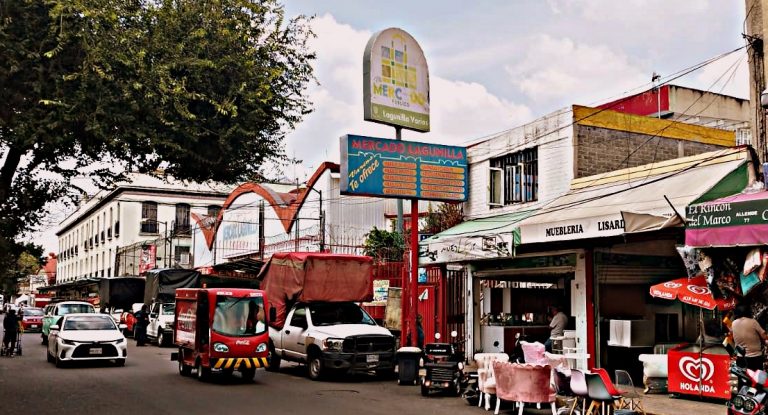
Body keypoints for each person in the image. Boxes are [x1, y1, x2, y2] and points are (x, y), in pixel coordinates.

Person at [731, 303, 768, 370]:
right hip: (755, 358)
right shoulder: (753, 322)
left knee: (743, 376)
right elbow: (764, 336)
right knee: (756, 376)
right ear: (748, 311)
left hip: (740, 358)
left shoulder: (733, 323)